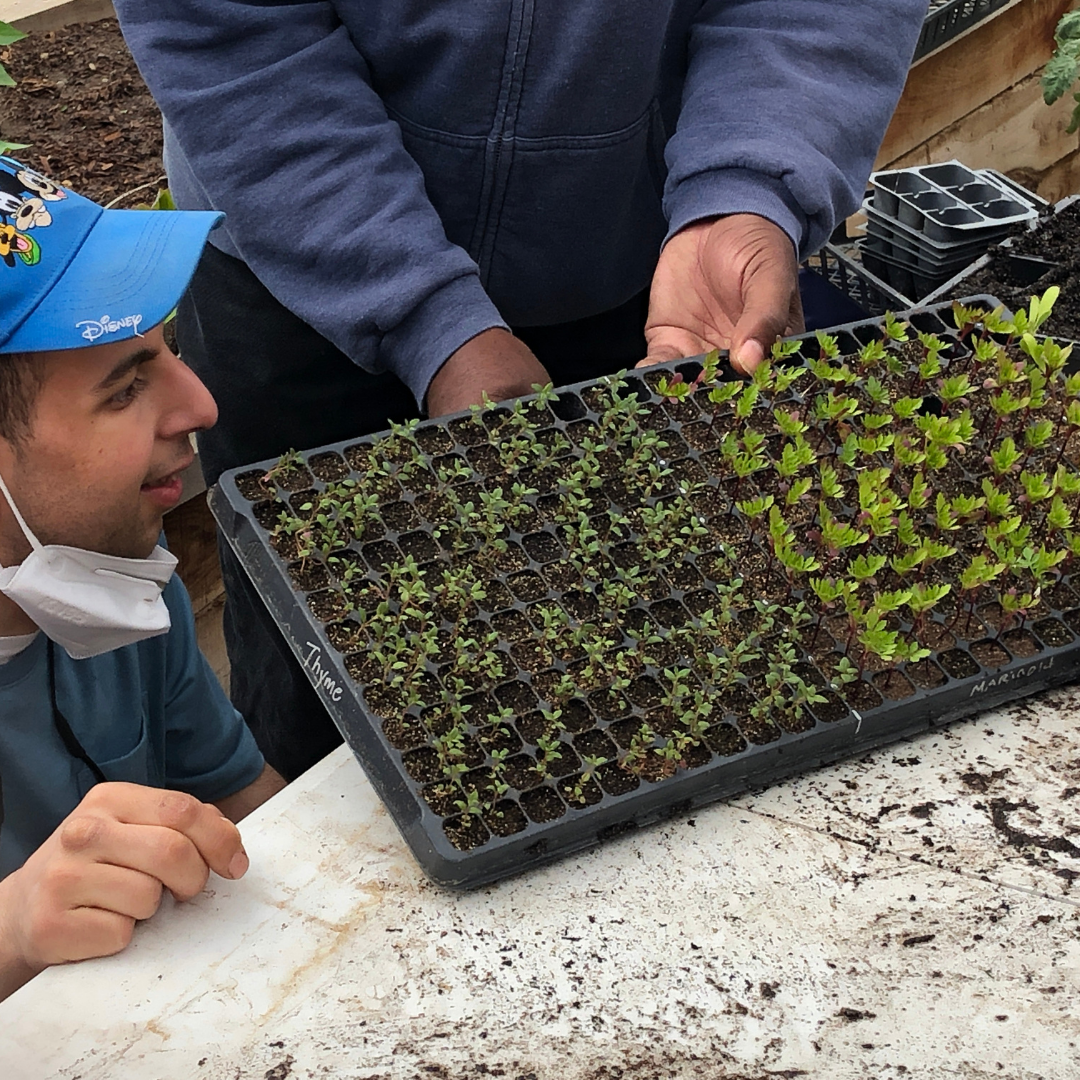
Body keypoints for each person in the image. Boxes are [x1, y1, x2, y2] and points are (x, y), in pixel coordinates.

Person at [114, 0, 928, 780]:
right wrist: (428, 318)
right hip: (303, 259)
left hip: (654, 278)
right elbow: (232, 32)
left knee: (631, 659)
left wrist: (749, 187)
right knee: (322, 687)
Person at [0, 157, 286, 1002]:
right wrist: (14, 930)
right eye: (126, 387)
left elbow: (243, 799)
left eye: (166, 350)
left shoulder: (118, 582)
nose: (200, 404)